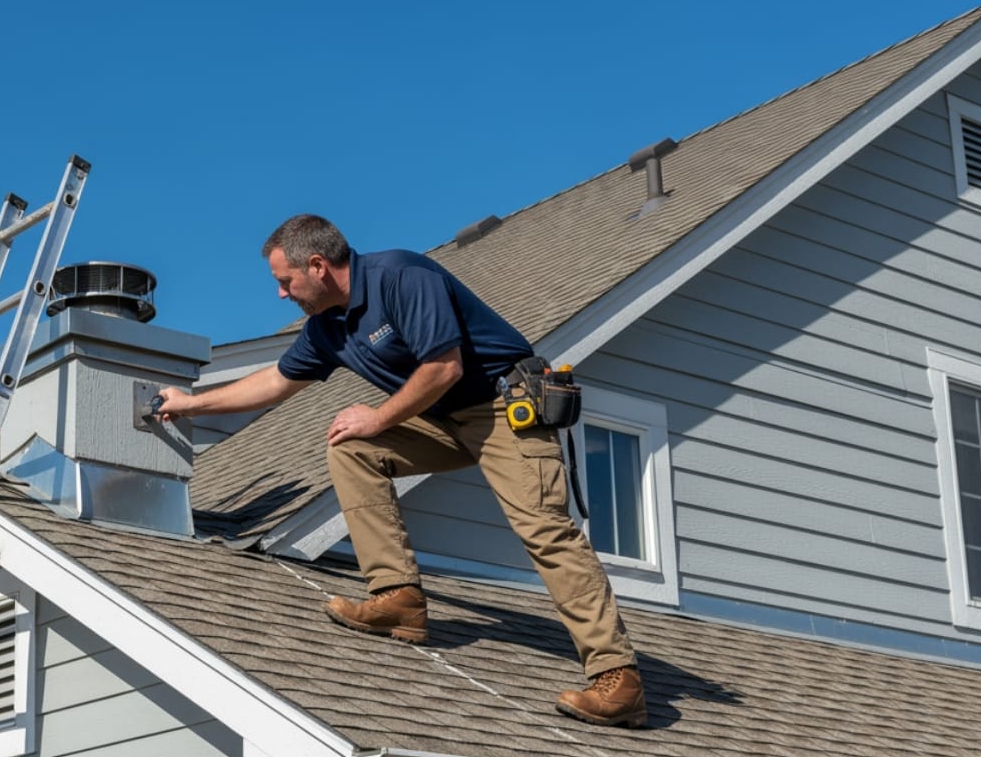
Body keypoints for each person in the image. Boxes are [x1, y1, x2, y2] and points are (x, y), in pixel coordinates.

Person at [157, 214, 646, 727]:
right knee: (353, 447)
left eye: (285, 280)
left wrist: (379, 417)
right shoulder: (328, 327)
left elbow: (444, 366)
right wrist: (190, 405)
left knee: (545, 530)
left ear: (317, 266)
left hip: (502, 406)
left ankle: (618, 677)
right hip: (441, 416)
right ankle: (397, 597)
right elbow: (275, 382)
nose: (282, 294)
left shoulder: (401, 277)